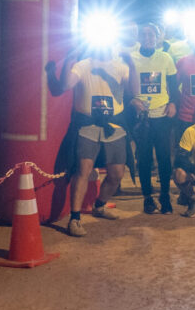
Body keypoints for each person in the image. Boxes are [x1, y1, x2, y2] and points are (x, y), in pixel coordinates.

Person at [49, 42, 139, 238]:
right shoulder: (83, 65)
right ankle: (75, 218)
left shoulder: (120, 66)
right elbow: (65, 86)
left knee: (116, 174)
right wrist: (69, 59)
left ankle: (99, 205)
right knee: (83, 170)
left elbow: (135, 91)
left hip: (114, 125)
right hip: (87, 125)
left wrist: (132, 64)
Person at [131, 23, 179, 214]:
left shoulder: (166, 58)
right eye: (144, 34)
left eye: (151, 34)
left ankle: (165, 195)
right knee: (143, 159)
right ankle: (147, 198)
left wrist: (174, 102)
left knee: (164, 157)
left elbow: (174, 85)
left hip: (161, 115)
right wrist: (133, 100)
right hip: (141, 117)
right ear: (139, 38)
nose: (148, 37)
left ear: (158, 38)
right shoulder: (131, 58)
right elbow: (126, 86)